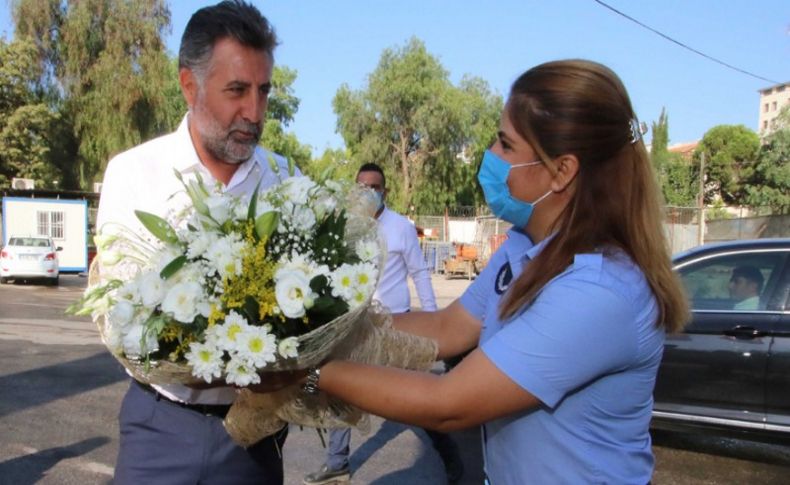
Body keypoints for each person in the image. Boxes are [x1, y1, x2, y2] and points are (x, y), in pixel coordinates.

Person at [288, 60, 689, 484]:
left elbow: (447, 403)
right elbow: (449, 326)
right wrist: (327, 332)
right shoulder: (523, 245)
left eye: (505, 144)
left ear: (561, 171)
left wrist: (306, 372)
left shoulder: (599, 288)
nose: (490, 156)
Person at [96, 2, 298, 483]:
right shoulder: (133, 173)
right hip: (160, 426)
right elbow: (119, 314)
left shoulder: (286, 181)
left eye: (264, 91)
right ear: (189, 85)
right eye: (237, 91)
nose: (254, 111)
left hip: (254, 430)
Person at [304, 163, 463, 484]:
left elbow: (419, 272)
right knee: (341, 395)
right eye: (361, 186)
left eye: (374, 187)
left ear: (385, 192)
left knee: (416, 401)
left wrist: (434, 324)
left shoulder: (401, 228)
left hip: (396, 327)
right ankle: (337, 463)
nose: (368, 193)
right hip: (355, 327)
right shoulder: (345, 226)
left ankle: (452, 459)